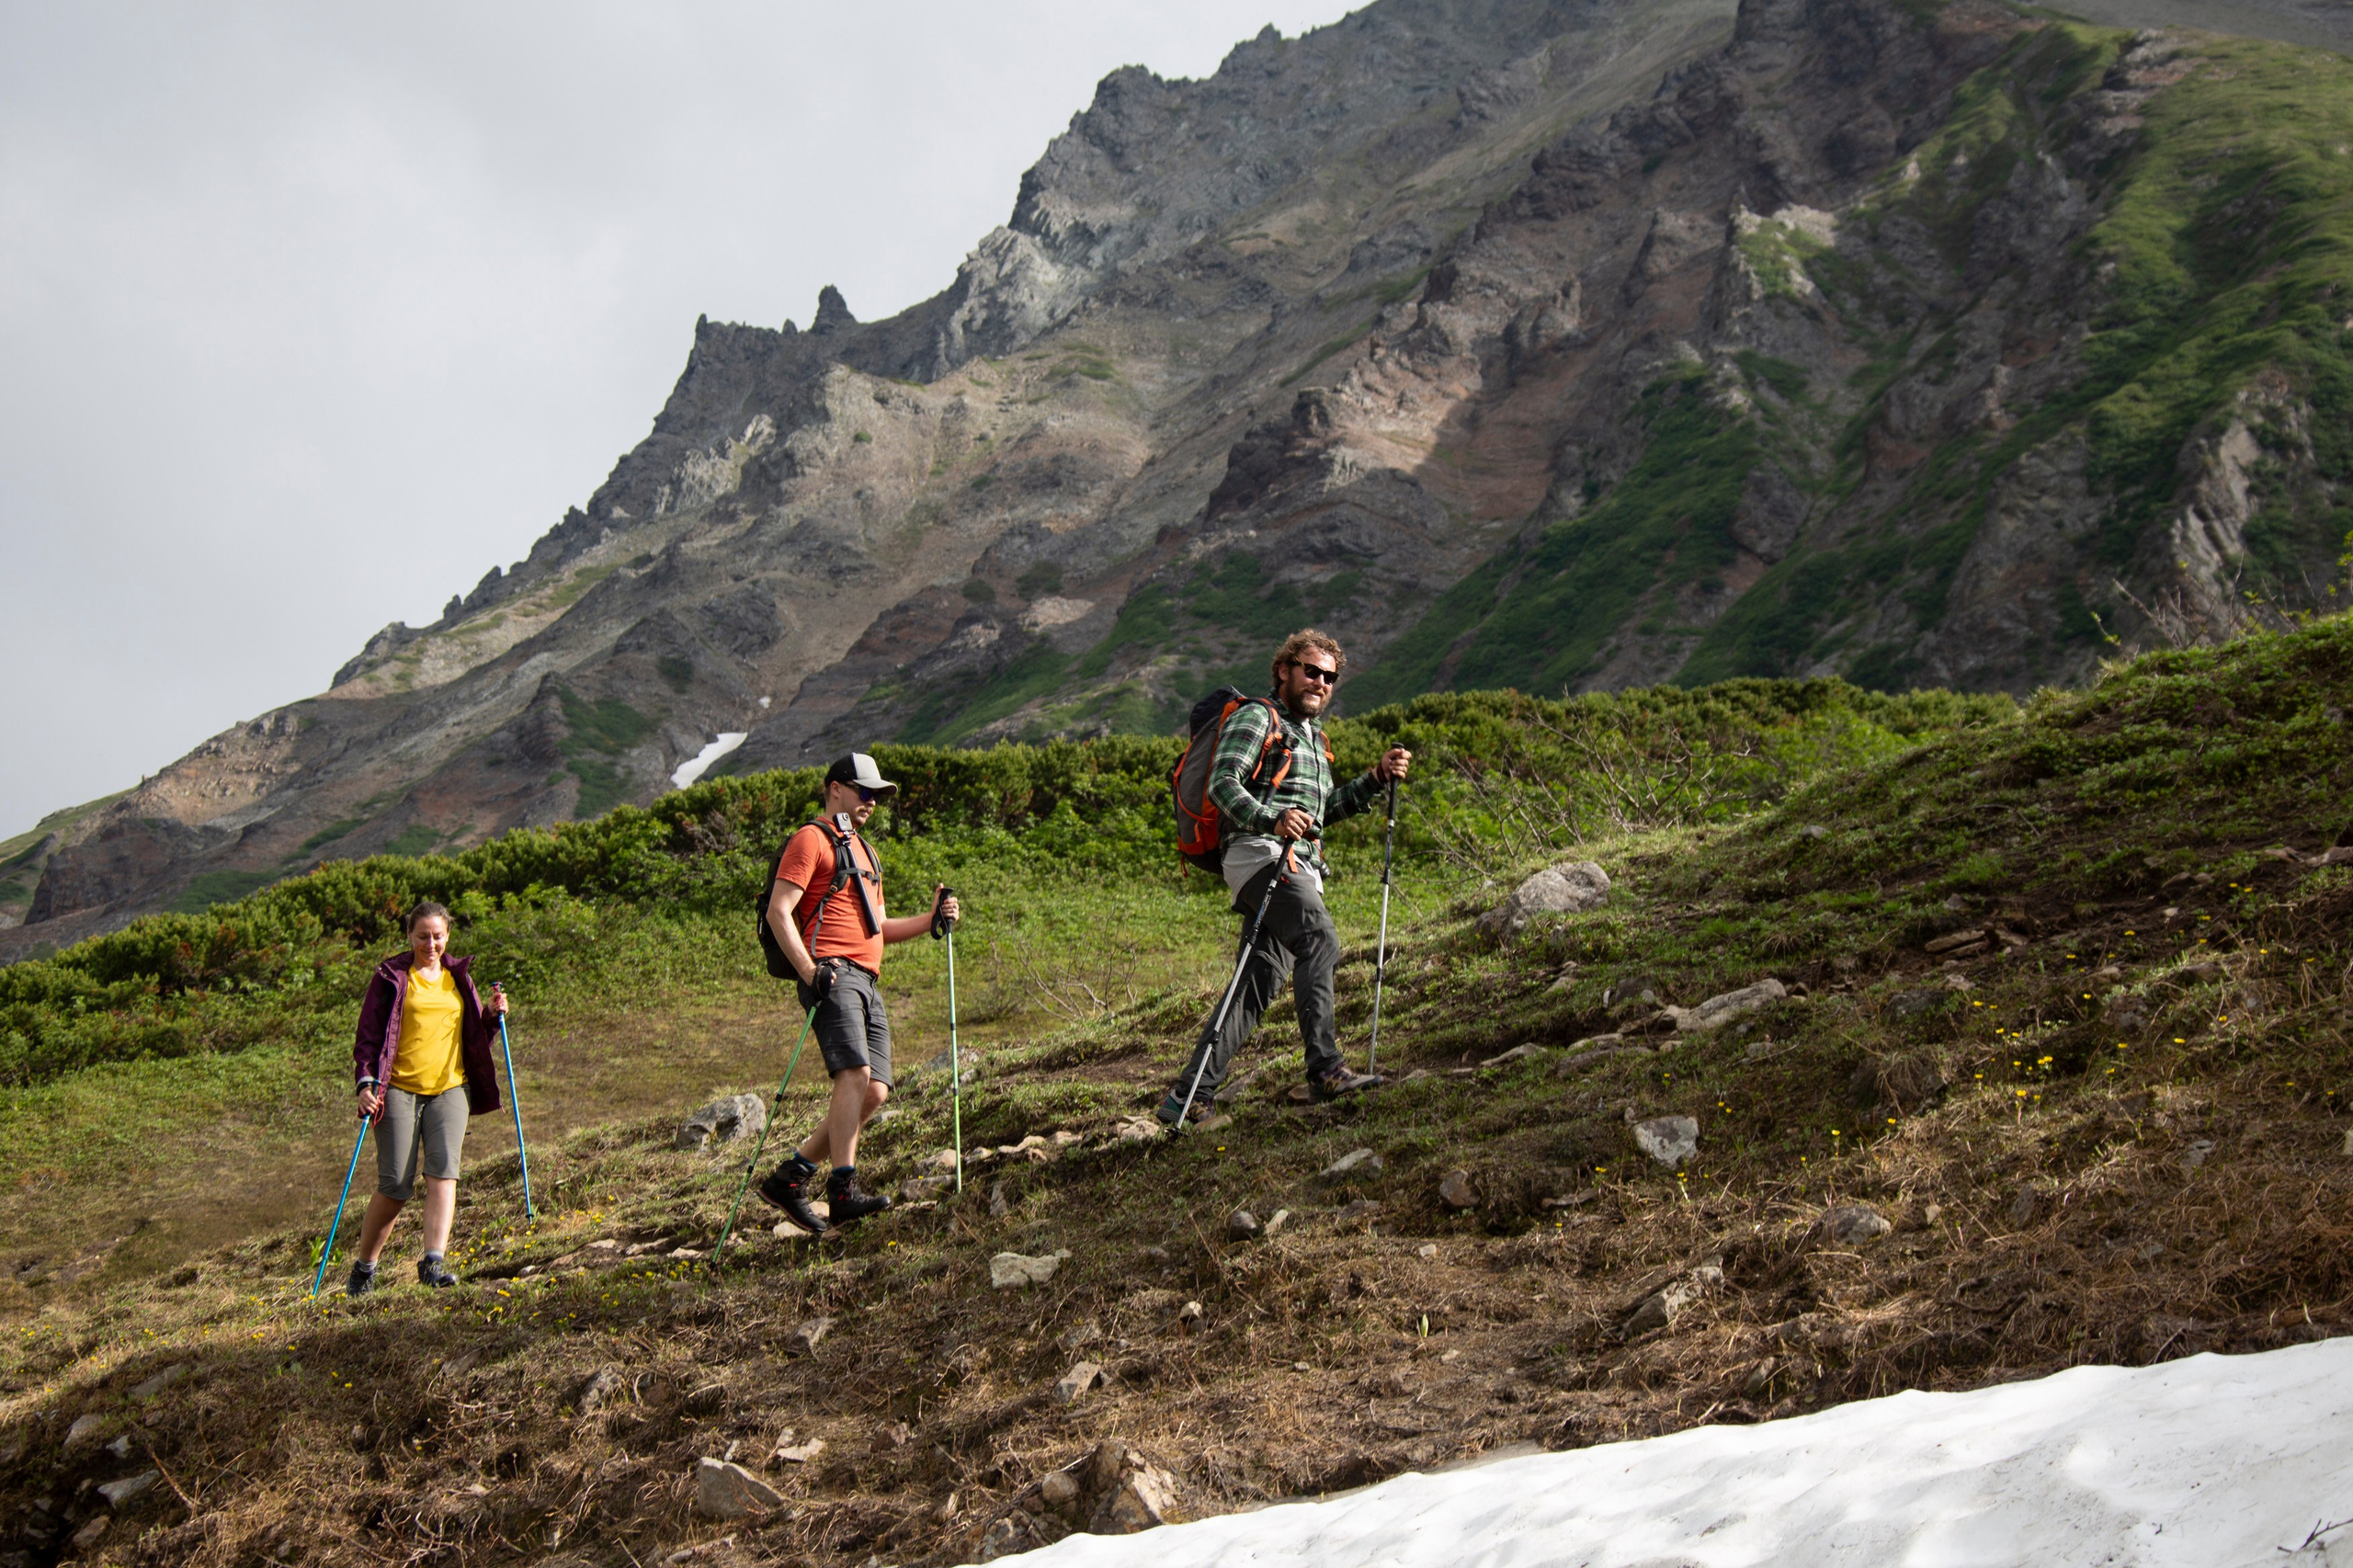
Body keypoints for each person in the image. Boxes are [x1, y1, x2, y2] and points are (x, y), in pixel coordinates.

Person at [1159, 630, 1413, 1126]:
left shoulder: (1314, 739)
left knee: (1258, 979)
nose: (1320, 682)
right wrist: (1271, 821)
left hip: (1295, 861)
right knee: (1319, 938)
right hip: (1260, 854)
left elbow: (1322, 813)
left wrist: (1376, 779)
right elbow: (1222, 784)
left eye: (1330, 676)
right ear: (1285, 670)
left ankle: (1188, 1097)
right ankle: (1326, 1070)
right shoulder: (1260, 716)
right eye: (1311, 671)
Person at [756, 752, 961, 1234]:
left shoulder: (866, 852)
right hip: (832, 973)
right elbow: (779, 912)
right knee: (855, 1072)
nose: (871, 801)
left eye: (877, 794)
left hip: (867, 978)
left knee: (875, 1090)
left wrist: (931, 921)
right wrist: (810, 973)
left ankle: (790, 1177)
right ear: (834, 789)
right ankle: (842, 1188)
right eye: (863, 791)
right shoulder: (811, 839)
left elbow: (880, 928)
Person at [347, 900, 509, 1293]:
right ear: (409, 935)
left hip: (451, 1088)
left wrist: (490, 1016)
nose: (431, 944)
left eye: (438, 936)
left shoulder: (458, 977)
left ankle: (433, 1264)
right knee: (395, 1185)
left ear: (447, 935)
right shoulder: (392, 977)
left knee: (444, 1174)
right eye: (423, 936)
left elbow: (472, 1038)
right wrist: (366, 1084)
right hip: (399, 1089)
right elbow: (368, 1037)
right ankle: (364, 1270)